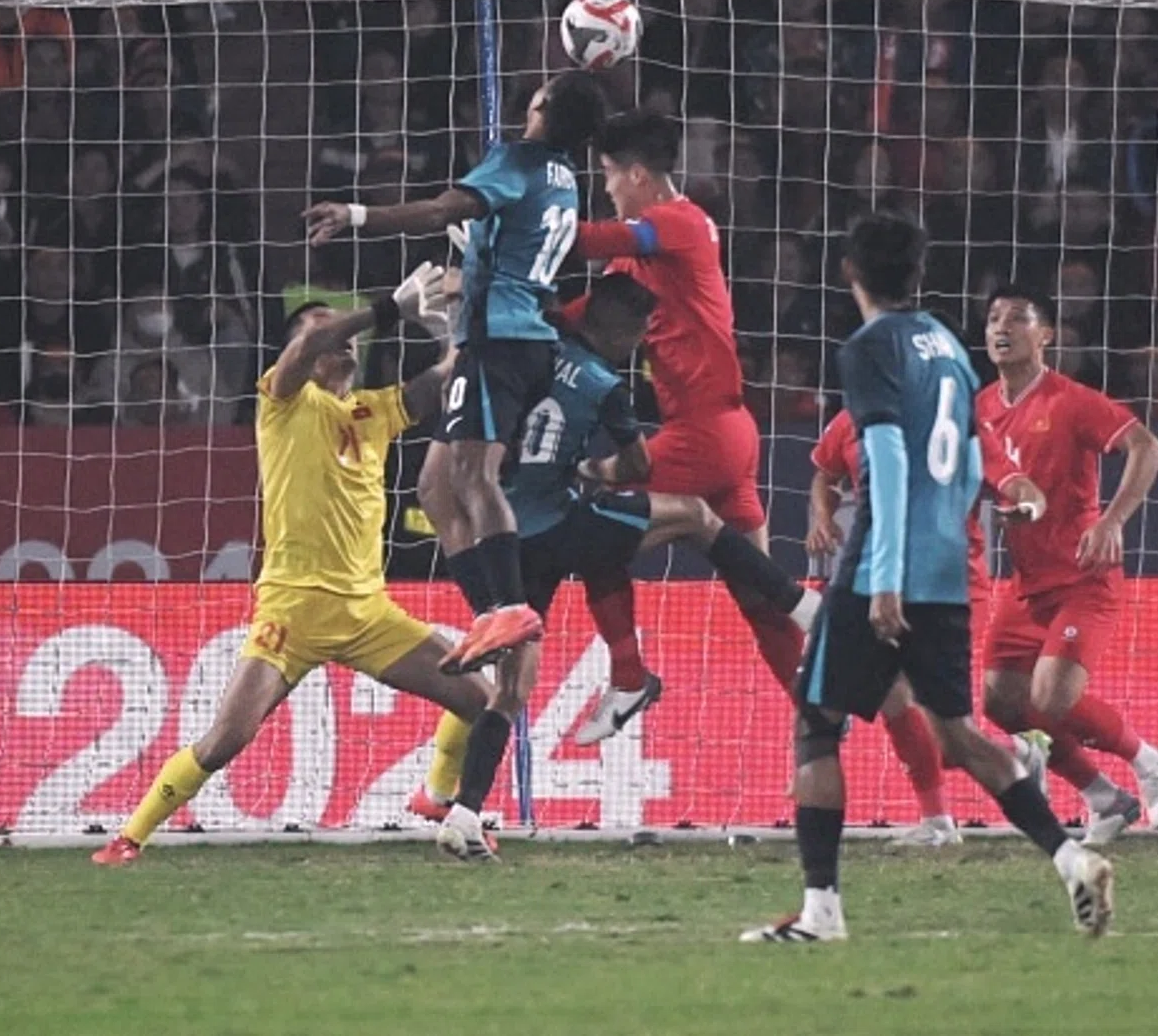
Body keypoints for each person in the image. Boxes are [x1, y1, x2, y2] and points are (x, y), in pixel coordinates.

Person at [742, 213, 1114, 943]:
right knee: (959, 732)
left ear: (851, 273)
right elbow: (973, 454)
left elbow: (882, 458)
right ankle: (1071, 858)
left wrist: (881, 579)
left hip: (887, 564)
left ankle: (822, 911)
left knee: (816, 725)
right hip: (948, 566)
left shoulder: (868, 346)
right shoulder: (947, 344)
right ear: (917, 274)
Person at [91, 268, 496, 865]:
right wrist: (388, 307)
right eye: (323, 329)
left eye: (345, 332)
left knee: (480, 700)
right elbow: (305, 348)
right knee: (228, 738)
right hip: (292, 611)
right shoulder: (282, 403)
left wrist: (454, 326)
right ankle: (130, 836)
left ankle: (436, 797)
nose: (341, 339)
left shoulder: (373, 412)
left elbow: (447, 377)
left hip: (367, 613)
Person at [405, 274, 819, 851]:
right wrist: (591, 471)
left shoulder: (529, 358)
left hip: (505, 541)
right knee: (695, 516)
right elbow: (635, 463)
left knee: (512, 686)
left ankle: (465, 814)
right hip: (561, 524)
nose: (642, 345)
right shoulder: (603, 384)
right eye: (640, 334)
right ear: (623, 330)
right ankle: (799, 603)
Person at [564, 111, 850, 755]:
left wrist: (515, 223)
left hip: (701, 436)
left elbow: (588, 240)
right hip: (728, 434)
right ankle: (821, 711)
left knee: (590, 542)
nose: (605, 187)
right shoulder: (643, 259)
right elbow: (580, 316)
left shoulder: (678, 222)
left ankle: (630, 677)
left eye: (609, 176)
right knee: (759, 598)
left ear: (638, 174)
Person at [303, 71, 608, 671]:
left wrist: (358, 214)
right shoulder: (566, 178)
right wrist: (481, 248)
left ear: (541, 105)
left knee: (472, 474)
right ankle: (488, 616)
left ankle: (511, 606)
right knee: (436, 487)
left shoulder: (519, 158)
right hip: (515, 338)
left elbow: (443, 207)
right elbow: (517, 243)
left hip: (499, 339)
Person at [976, 283, 1158, 842]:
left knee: (1049, 700)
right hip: (1024, 584)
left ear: (1043, 336)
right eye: (994, 318)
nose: (1002, 328)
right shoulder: (982, 407)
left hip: (1082, 578)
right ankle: (1103, 797)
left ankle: (1149, 760)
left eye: (1018, 318)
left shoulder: (1070, 400)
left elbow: (1148, 446)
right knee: (1001, 703)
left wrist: (1111, 520)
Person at [806, 408, 968, 846]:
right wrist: (823, 517)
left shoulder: (939, 414)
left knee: (942, 726)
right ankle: (938, 820)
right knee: (896, 698)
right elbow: (824, 474)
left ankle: (1016, 757)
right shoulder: (850, 419)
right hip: (875, 572)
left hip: (936, 573)